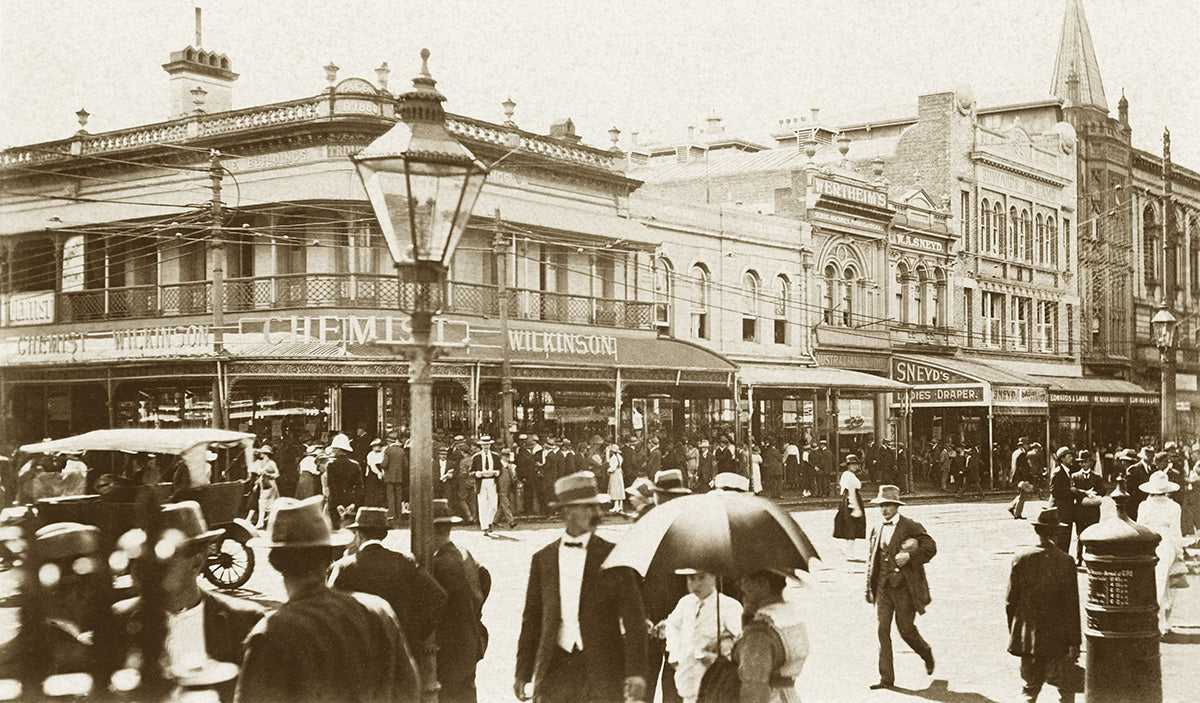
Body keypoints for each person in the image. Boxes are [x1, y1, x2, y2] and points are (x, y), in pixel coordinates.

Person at [236, 496, 419, 703]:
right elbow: (408, 691)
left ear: (274, 562)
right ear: (329, 556)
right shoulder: (378, 611)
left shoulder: (271, 633)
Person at [514, 472, 648, 703]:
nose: (597, 514)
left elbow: (634, 618)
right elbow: (532, 619)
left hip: (603, 671)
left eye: (597, 507)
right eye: (588, 507)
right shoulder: (543, 559)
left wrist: (636, 671)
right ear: (567, 512)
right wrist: (522, 672)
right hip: (555, 670)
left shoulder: (615, 556)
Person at [113, 501, 264, 700]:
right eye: (142, 560)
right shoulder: (119, 620)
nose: (147, 571)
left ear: (196, 563)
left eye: (163, 561)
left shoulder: (243, 620)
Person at [328, 506, 447, 668]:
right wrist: (416, 632)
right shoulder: (405, 561)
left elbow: (329, 611)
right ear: (383, 534)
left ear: (359, 535)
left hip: (361, 656)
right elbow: (438, 596)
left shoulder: (344, 567)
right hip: (401, 651)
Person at [1006, 507, 1081, 703]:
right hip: (1057, 635)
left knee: (1029, 687)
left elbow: (1011, 601)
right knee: (1064, 688)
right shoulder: (1066, 561)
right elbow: (1071, 605)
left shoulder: (1021, 558)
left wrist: (1014, 629)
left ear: (1037, 531)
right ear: (1057, 533)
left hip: (1027, 633)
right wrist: (1075, 641)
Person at [865, 485, 936, 690]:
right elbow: (872, 559)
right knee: (882, 630)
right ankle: (886, 679)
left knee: (905, 629)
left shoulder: (910, 526)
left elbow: (931, 547)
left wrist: (910, 556)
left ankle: (925, 651)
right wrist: (869, 588)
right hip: (883, 587)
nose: (884, 509)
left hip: (904, 587)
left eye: (888, 505)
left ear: (897, 506)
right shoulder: (877, 528)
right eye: (881, 505)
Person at [430, 499, 492, 703]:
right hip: (470, 643)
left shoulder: (438, 564)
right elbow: (484, 577)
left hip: (448, 650)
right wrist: (476, 611)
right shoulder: (464, 554)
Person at [663, 568, 743, 703]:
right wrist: (675, 654)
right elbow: (672, 625)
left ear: (714, 577)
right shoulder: (685, 603)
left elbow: (739, 636)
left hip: (714, 675)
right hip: (687, 672)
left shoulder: (729, 605)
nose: (696, 584)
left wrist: (721, 648)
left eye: (702, 578)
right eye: (691, 579)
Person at [732, 569, 808, 703]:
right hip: (790, 696)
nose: (741, 586)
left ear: (762, 583)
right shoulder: (790, 615)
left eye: (746, 580)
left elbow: (753, 687)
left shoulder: (759, 632)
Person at [1135, 471, 1186, 636]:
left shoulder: (1144, 506)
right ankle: (1164, 622)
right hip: (1166, 545)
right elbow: (1176, 533)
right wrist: (1180, 553)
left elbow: (1140, 528)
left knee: (1152, 583)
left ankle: (1152, 621)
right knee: (1166, 584)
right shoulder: (1174, 507)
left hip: (1149, 544)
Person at [1069, 450, 1105, 565]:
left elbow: (1103, 490)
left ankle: (1091, 556)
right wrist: (1085, 493)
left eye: (1085, 462)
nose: (1083, 464)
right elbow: (1073, 491)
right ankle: (1079, 557)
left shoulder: (1096, 477)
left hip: (1093, 510)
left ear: (1090, 462)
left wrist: (1094, 493)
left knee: (1093, 533)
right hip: (1080, 510)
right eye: (1081, 462)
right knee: (1080, 534)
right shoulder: (1075, 476)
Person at [324, 433, 363, 530]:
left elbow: (332, 486)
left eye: (334, 448)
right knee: (349, 530)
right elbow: (359, 487)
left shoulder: (331, 465)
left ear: (338, 449)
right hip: (350, 501)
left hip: (335, 503)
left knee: (335, 531)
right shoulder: (355, 465)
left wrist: (337, 504)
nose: (333, 450)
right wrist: (354, 503)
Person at [833, 454, 866, 561]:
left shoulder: (848, 475)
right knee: (851, 527)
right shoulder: (849, 476)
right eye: (852, 464)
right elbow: (851, 491)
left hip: (847, 501)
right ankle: (849, 552)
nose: (855, 466)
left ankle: (847, 550)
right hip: (851, 501)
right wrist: (855, 507)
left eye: (856, 464)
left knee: (849, 526)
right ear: (848, 465)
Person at [1047, 447, 1077, 553]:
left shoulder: (1067, 471)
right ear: (1062, 459)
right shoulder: (1058, 472)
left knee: (1066, 537)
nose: (1071, 458)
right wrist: (1070, 491)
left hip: (1066, 511)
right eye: (1069, 457)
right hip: (1060, 511)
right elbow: (1054, 491)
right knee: (1061, 538)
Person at [470, 436, 501, 535]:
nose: (486, 446)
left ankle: (489, 521)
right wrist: (476, 474)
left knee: (493, 506)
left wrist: (497, 473)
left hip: (492, 482)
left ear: (490, 445)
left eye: (487, 444)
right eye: (484, 444)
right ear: (481, 445)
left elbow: (500, 469)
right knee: (483, 505)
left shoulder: (495, 456)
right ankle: (485, 527)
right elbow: (471, 471)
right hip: (481, 482)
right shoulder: (476, 457)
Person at [380, 431, 408, 523]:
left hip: (389, 477)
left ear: (389, 442)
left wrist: (381, 465)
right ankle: (399, 515)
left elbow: (384, 464)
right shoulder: (401, 451)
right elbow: (405, 465)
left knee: (390, 496)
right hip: (399, 477)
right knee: (398, 496)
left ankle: (391, 514)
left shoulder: (388, 450)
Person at [250, 446, 280, 529]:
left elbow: (277, 474)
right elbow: (260, 475)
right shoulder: (261, 463)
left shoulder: (271, 463)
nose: (261, 454)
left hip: (270, 484)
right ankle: (270, 521)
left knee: (262, 502)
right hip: (263, 485)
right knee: (268, 502)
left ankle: (261, 522)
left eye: (262, 453)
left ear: (266, 454)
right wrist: (256, 484)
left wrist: (269, 475)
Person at [1008, 437, 1034, 520]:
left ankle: (1011, 506)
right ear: (1023, 445)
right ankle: (1017, 514)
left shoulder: (1015, 452)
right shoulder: (1022, 454)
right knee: (1022, 496)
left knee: (1020, 494)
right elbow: (1024, 468)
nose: (1028, 446)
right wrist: (1028, 478)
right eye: (1027, 444)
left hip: (1015, 476)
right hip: (1020, 478)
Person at [363, 438, 387, 508]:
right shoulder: (371, 454)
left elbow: (382, 465)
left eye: (379, 446)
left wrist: (382, 473)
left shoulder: (381, 455)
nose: (378, 447)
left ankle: (379, 504)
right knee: (372, 489)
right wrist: (378, 473)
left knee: (380, 490)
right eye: (377, 446)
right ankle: (371, 504)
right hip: (372, 474)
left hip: (380, 473)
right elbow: (372, 466)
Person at [605, 443, 625, 514]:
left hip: (615, 474)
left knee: (615, 488)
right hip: (619, 473)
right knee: (619, 488)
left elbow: (612, 467)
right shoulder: (619, 456)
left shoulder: (613, 458)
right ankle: (620, 505)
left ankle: (616, 506)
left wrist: (608, 470)